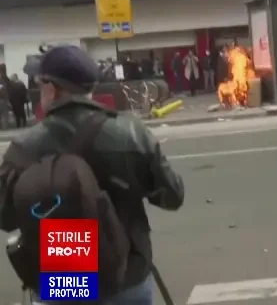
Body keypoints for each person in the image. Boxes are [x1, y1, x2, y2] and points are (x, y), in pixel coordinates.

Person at [0, 44, 184, 304]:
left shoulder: (24, 148)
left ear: (52, 90)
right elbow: (172, 196)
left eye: (40, 85)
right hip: (127, 275)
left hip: (64, 281)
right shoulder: (131, 133)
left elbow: (5, 216)